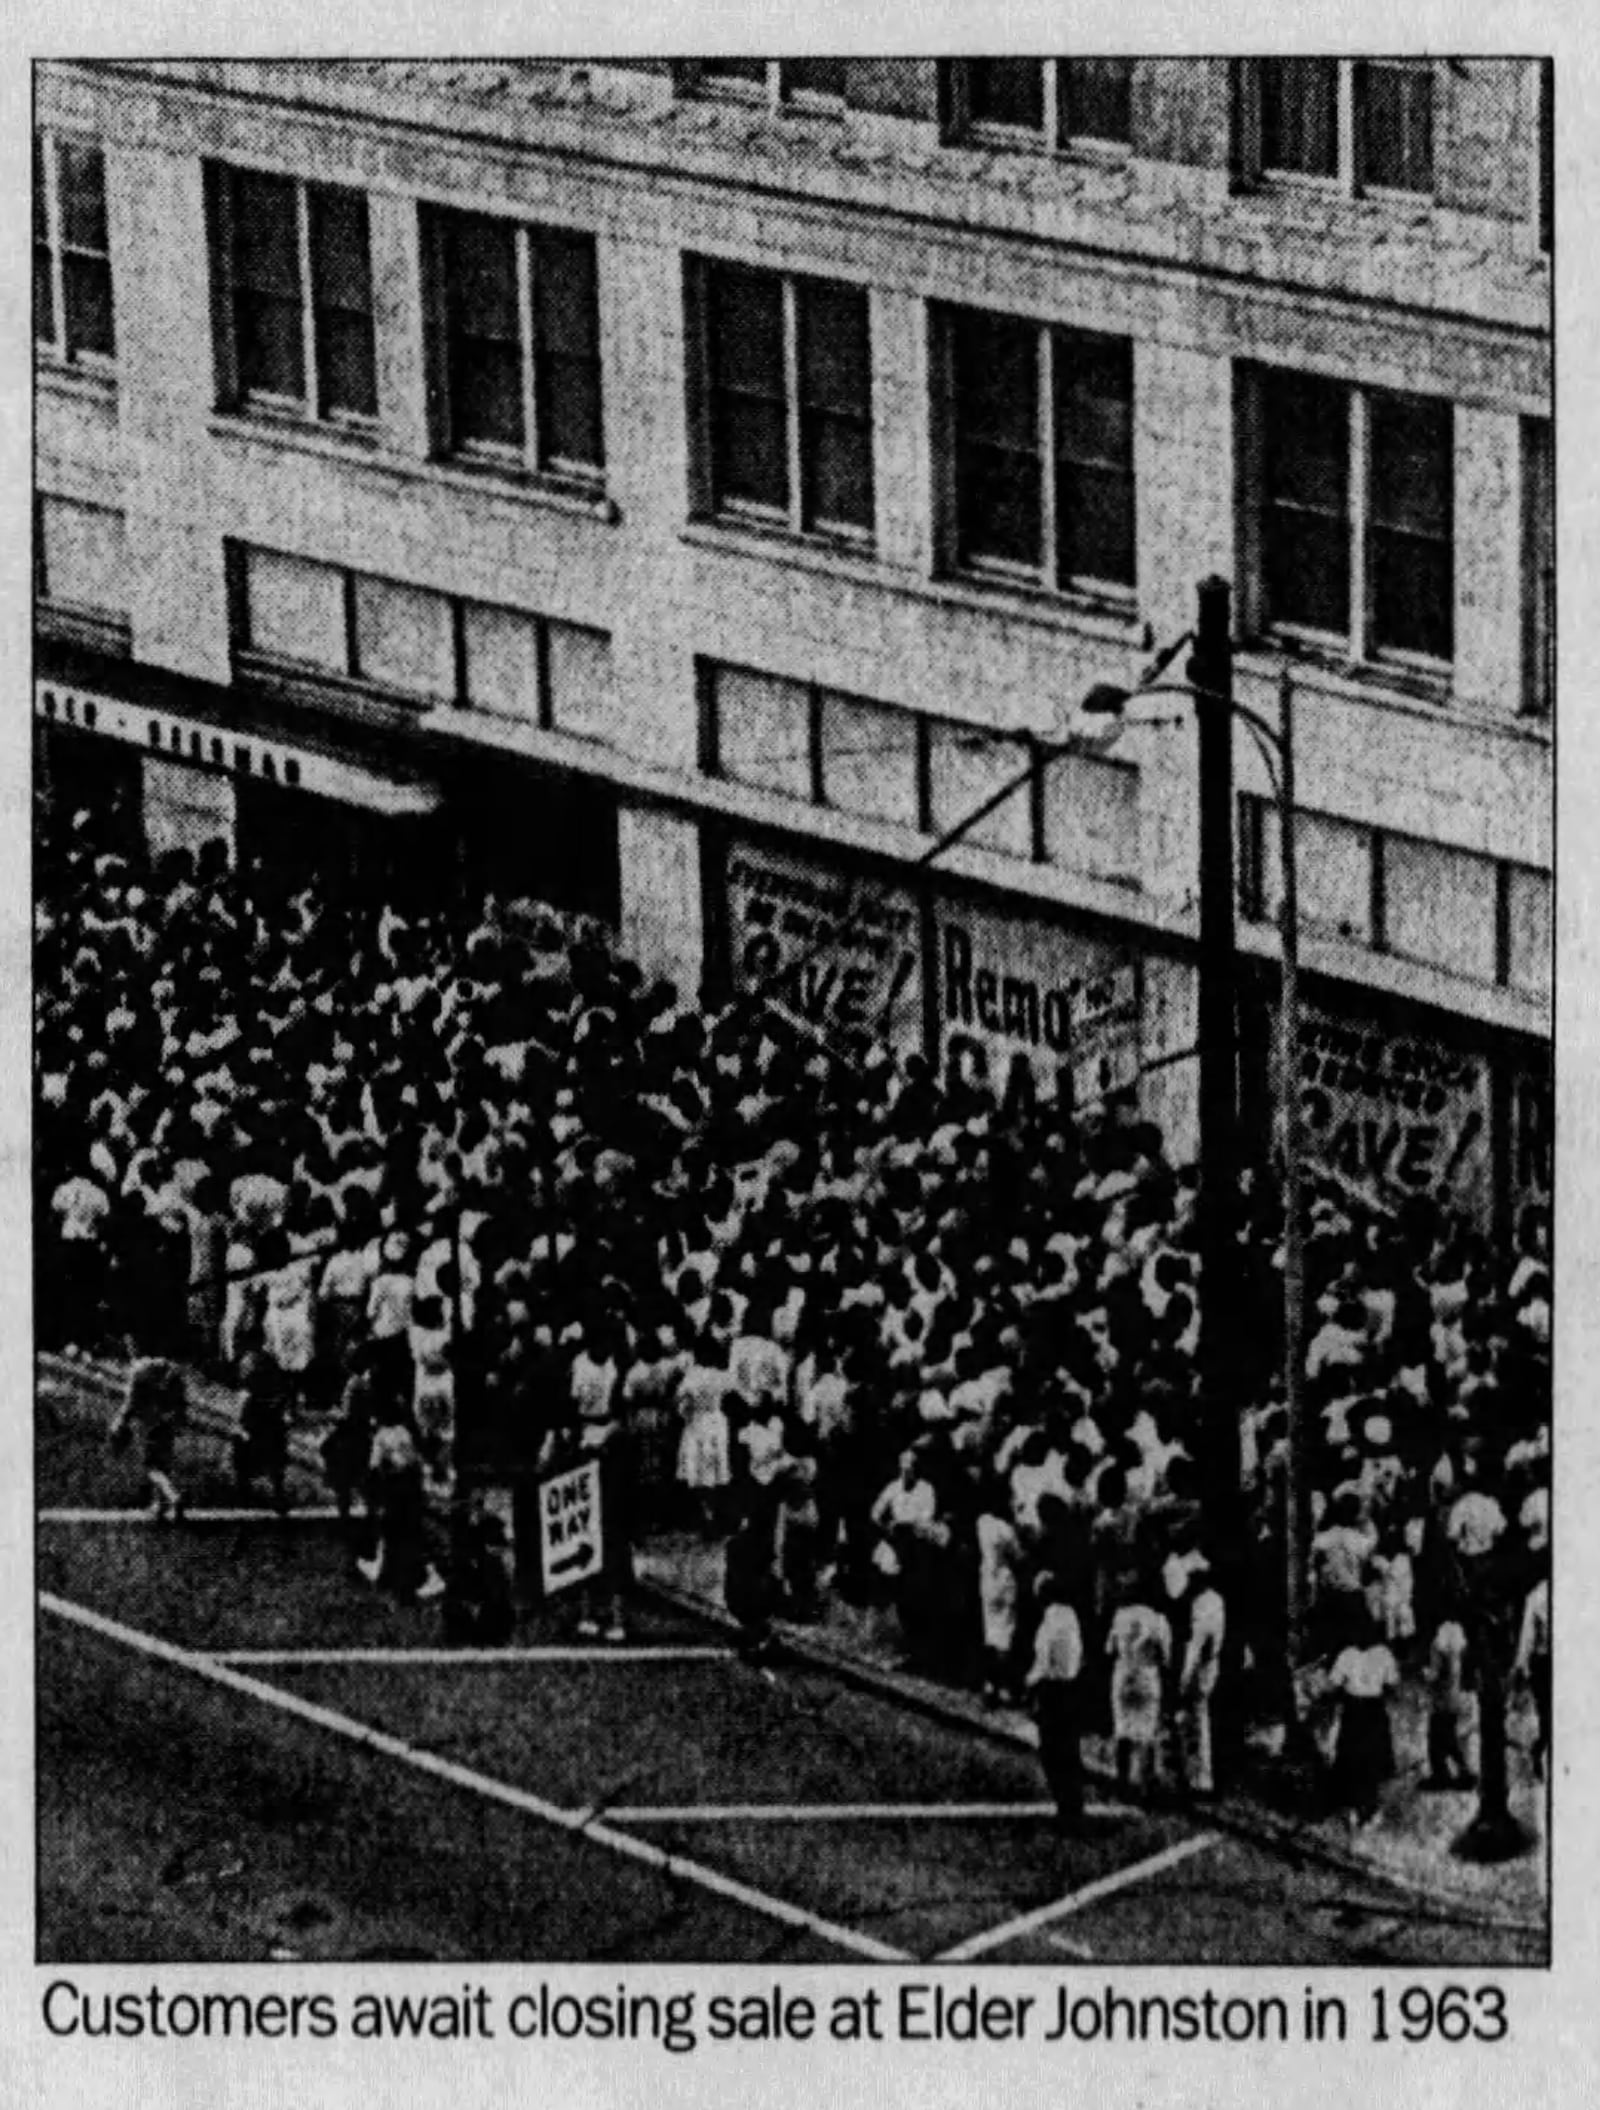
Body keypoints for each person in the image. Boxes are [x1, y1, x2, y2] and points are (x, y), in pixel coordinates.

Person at [1026, 1571, 1088, 1837]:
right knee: (1069, 1750)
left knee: (1051, 1752)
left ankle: (1065, 1808)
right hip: (1072, 1689)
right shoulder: (1071, 1617)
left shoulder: (1048, 1624)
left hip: (1052, 1691)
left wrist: (1029, 1684)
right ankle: (1075, 1806)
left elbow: (1042, 1664)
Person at [1326, 1614, 1400, 1830]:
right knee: (1372, 1760)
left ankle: (1352, 1808)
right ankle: (1369, 1808)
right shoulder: (1384, 1654)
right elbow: (1393, 1684)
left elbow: (1332, 1685)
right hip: (1373, 1711)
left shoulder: (1347, 1655)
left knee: (1352, 1758)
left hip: (1353, 1711)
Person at [1107, 1573, 1172, 1796]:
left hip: (1124, 1671)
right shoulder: (1158, 1620)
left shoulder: (1120, 1616)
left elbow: (1110, 1649)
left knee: (1122, 1729)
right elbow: (1166, 1656)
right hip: (1147, 1673)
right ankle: (1146, 1784)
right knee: (1146, 1731)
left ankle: (1121, 1781)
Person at [108, 1350, 188, 1521]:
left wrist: (121, 1421)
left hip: (151, 1422)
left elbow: (131, 1402)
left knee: (151, 1466)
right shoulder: (172, 1369)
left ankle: (173, 1496)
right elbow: (181, 1401)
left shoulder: (139, 1371)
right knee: (163, 1464)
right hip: (169, 1420)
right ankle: (160, 1505)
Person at [1421, 1613, 1475, 1791]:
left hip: (1440, 1700)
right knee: (1448, 1737)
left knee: (1437, 1739)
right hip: (1455, 1697)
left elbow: (1434, 1674)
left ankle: (1443, 1775)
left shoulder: (1437, 1646)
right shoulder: (1459, 1647)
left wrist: (1425, 1674)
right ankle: (1463, 1773)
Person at [233, 1350, 291, 1514]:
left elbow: (283, 1415)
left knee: (273, 1466)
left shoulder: (267, 1396)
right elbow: (241, 1420)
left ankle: (274, 1495)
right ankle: (252, 1495)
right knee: (269, 1466)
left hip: (264, 1434)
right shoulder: (249, 1396)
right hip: (260, 1434)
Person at [1513, 1575, 1550, 1784]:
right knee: (1547, 1717)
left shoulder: (1536, 1595)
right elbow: (1527, 1637)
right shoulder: (1537, 1596)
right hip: (1544, 1661)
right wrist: (1522, 1666)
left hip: (1548, 1661)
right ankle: (1539, 1754)